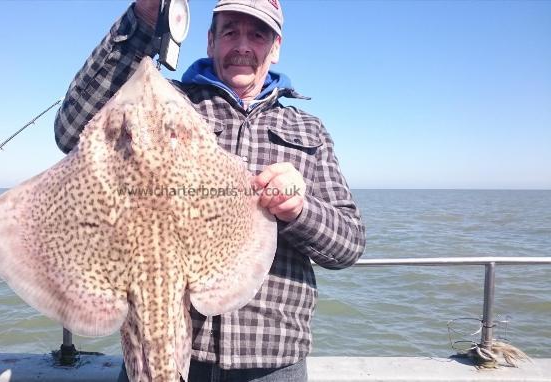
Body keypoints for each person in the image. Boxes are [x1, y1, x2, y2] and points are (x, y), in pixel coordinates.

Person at [54, 0, 366, 380]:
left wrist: (298, 211)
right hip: (161, 343)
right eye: (230, 32)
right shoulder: (170, 104)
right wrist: (144, 20)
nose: (243, 46)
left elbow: (348, 244)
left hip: (272, 360)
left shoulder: (308, 130)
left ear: (276, 46)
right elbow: (72, 129)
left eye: (257, 34)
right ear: (210, 40)